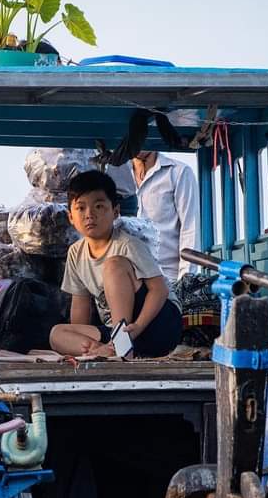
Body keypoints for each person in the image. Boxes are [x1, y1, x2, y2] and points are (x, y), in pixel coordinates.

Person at [50, 170, 182, 358]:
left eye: (99, 206)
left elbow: (159, 290)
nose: (89, 215)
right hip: (117, 330)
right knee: (57, 334)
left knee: (113, 266)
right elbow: (81, 305)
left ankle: (121, 347)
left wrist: (135, 330)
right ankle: (108, 350)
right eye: (81, 208)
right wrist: (79, 336)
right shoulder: (75, 253)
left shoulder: (127, 245)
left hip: (156, 323)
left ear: (115, 212)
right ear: (71, 216)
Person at [130, 151, 199, 281]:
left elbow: (190, 228)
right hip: (127, 278)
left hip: (167, 276)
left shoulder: (179, 172)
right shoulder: (116, 174)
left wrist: (185, 280)